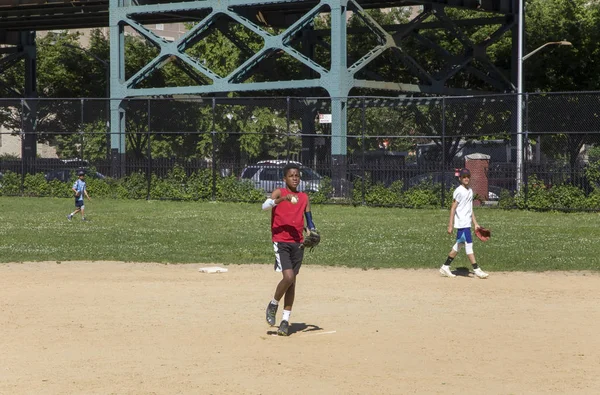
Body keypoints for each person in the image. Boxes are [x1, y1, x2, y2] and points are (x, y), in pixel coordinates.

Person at [262, 163, 316, 336]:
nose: (295, 178)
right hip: (281, 241)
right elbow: (265, 206)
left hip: (298, 242)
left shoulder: (304, 197)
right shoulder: (280, 193)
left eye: (297, 176)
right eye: (291, 175)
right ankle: (273, 303)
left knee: (292, 282)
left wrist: (311, 231)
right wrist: (282, 199)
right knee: (288, 276)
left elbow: (309, 220)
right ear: (284, 178)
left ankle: (285, 320)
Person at [439, 168, 489, 279]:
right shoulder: (459, 191)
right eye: (464, 177)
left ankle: (445, 266)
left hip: (467, 223)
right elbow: (453, 208)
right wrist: (450, 225)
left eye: (468, 176)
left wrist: (475, 223)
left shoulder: (470, 191)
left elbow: (470, 209)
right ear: (460, 178)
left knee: (459, 245)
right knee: (469, 246)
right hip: (462, 224)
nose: (466, 179)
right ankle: (477, 269)